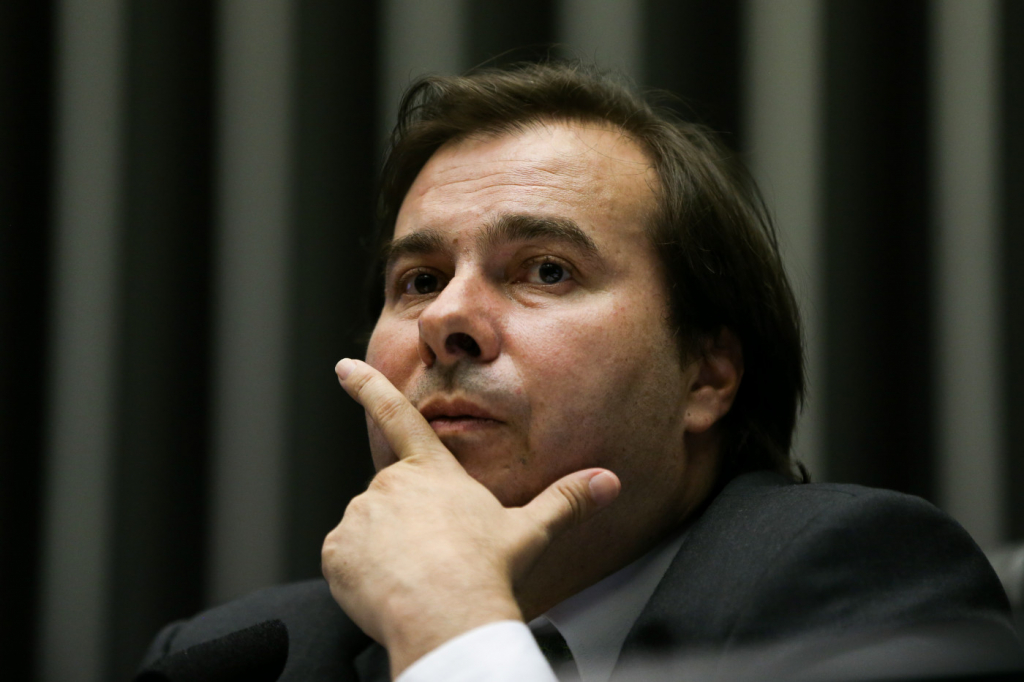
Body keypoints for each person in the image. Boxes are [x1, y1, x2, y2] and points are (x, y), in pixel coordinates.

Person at [139, 62, 1021, 682]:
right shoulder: (243, 655)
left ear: (706, 375)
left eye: (546, 270)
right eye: (419, 281)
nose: (446, 320)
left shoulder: (857, 582)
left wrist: (452, 626)